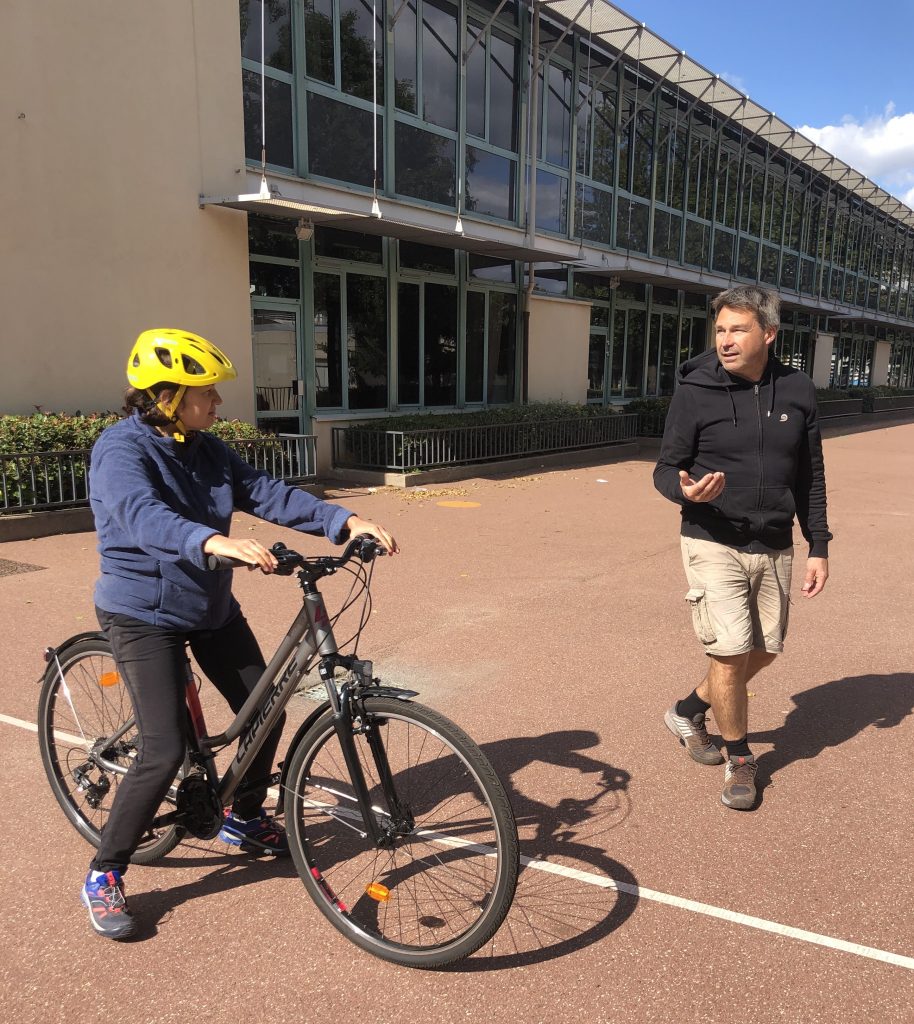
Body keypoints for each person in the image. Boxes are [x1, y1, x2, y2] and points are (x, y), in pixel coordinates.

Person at [81, 328, 398, 939]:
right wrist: (211, 541)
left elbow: (265, 492)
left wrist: (344, 520)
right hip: (142, 613)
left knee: (266, 709)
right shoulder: (120, 451)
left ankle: (244, 817)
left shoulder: (207, 449)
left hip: (210, 608)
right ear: (169, 397)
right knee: (163, 750)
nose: (218, 402)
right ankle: (105, 871)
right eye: (207, 392)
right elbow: (143, 516)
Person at [653, 286, 830, 811]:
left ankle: (688, 709)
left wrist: (818, 544)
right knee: (729, 653)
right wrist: (684, 492)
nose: (725, 340)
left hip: (774, 540)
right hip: (712, 538)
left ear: (769, 334)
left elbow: (811, 475)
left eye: (738, 329)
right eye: (720, 330)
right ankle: (740, 759)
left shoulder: (798, 390)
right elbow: (665, 468)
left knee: (765, 649)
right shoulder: (695, 391)